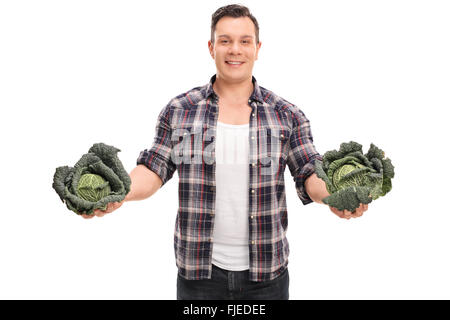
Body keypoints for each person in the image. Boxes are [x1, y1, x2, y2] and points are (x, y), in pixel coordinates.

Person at [81, 4, 368, 300]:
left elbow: (310, 172)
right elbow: (153, 169)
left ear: (257, 48)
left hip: (268, 277)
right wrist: (119, 192)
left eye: (245, 41)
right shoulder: (180, 110)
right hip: (198, 276)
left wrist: (334, 195)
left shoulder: (287, 115)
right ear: (211, 47)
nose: (235, 50)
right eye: (225, 40)